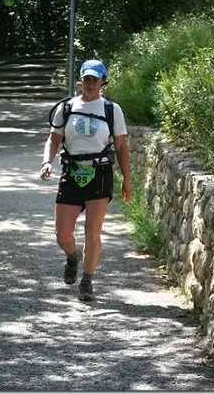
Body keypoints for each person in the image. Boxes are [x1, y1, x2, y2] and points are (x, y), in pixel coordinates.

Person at [40, 59, 131, 301]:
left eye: (95, 79)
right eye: (87, 78)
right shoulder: (66, 107)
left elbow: (121, 147)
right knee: (62, 234)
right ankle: (72, 256)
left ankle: (87, 281)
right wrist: (46, 161)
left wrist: (126, 179)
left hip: (99, 175)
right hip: (71, 173)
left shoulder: (112, 110)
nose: (91, 83)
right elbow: (53, 139)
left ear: (103, 81)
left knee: (93, 231)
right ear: (81, 79)